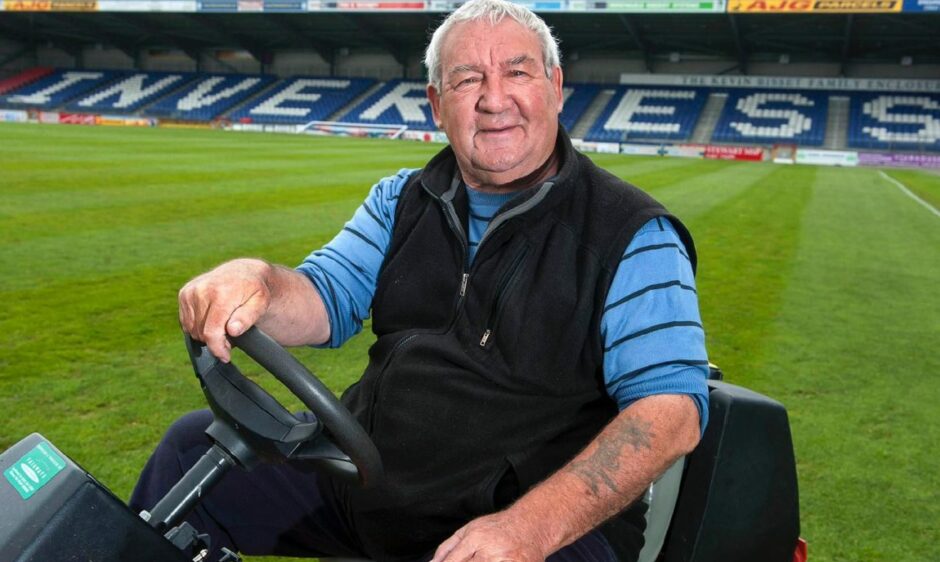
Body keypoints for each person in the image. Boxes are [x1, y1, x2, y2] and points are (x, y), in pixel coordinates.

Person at [130, 1, 709, 560]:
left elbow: (670, 412)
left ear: (555, 87)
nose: (494, 99)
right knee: (188, 453)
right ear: (436, 103)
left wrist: (528, 528)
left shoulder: (633, 234)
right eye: (466, 80)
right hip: (371, 479)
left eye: (517, 72)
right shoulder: (402, 199)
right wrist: (256, 280)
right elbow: (324, 297)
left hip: (536, 519)